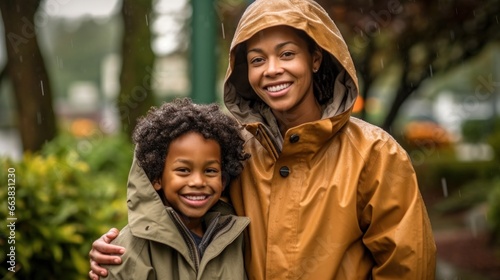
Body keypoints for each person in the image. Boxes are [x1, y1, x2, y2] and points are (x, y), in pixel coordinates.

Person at [89, 0, 437, 279]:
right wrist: (122, 251)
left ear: (315, 59)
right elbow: (178, 207)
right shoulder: (231, 148)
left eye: (287, 54)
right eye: (258, 59)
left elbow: (407, 266)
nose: (272, 70)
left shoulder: (374, 153)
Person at [100, 98, 250, 279]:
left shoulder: (236, 239)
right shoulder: (129, 248)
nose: (198, 182)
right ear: (157, 178)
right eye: (183, 170)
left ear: (223, 181)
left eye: (210, 171)